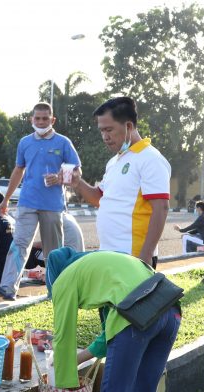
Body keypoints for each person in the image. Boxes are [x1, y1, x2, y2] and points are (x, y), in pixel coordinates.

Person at [49, 249, 181, 392]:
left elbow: (63, 336)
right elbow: (109, 336)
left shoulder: (63, 279)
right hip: (171, 311)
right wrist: (77, 359)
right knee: (143, 391)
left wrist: (63, 384)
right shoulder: (103, 264)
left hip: (136, 317)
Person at [66, 97, 171, 267]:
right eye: (101, 131)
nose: (105, 137)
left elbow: (161, 208)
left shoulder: (150, 159)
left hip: (133, 257)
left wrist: (145, 257)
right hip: (108, 253)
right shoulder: (115, 162)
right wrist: (78, 182)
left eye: (109, 130)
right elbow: (99, 198)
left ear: (128, 126)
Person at [0, 102, 81, 300]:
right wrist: (5, 199)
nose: (41, 122)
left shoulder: (63, 142)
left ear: (52, 120)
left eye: (45, 118)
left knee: (53, 251)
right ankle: (8, 287)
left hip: (53, 205)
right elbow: (18, 170)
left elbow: (76, 171)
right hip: (27, 202)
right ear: (31, 119)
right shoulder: (25, 142)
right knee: (19, 244)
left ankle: (55, 290)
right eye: (38, 118)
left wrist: (60, 178)